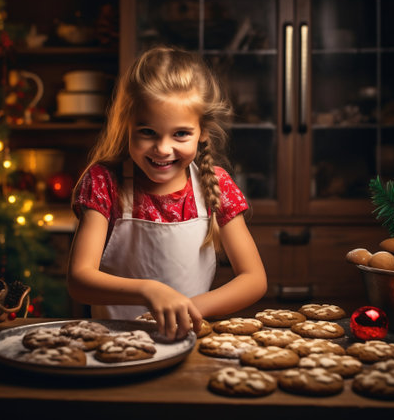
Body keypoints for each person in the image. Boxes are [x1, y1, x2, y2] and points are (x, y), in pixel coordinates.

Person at [67, 46, 267, 341]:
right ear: (127, 127)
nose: (162, 148)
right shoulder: (104, 182)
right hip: (114, 345)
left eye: (180, 133)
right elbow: (80, 280)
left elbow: (254, 280)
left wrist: (188, 308)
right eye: (147, 132)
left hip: (188, 343)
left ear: (203, 133)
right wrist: (149, 291)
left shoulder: (217, 186)